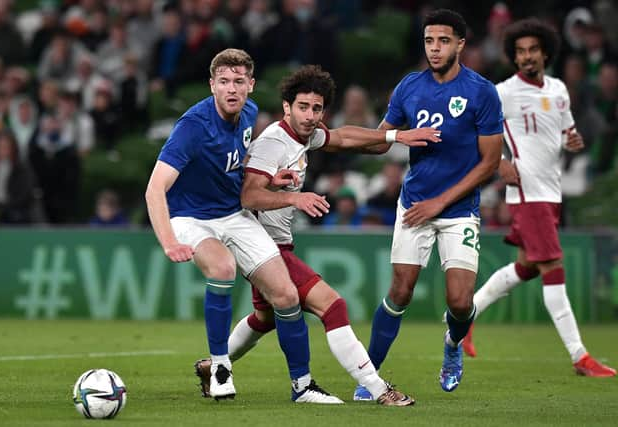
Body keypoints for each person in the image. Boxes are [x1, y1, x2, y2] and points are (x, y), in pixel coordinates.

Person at [194, 64, 441, 406]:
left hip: (275, 243)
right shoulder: (272, 144)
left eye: (317, 108)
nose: (311, 116)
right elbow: (249, 196)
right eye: (303, 107)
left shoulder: (305, 135)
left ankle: (213, 366)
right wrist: (295, 197)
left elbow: (342, 137)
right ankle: (378, 389)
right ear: (286, 107)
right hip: (261, 246)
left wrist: (394, 136)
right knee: (333, 305)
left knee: (265, 318)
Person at [145, 49, 341, 404]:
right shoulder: (192, 127)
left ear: (250, 85)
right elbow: (155, 188)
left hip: (234, 215)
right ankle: (220, 369)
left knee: (286, 296)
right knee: (222, 267)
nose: (231, 89)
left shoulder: (249, 113)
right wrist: (168, 241)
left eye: (238, 81)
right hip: (191, 218)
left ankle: (303, 386)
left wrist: (270, 178)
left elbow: (236, 160)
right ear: (212, 85)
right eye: (223, 82)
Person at [354, 9, 504, 399]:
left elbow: (489, 162)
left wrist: (440, 202)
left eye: (443, 41)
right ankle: (370, 378)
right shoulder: (409, 88)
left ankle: (453, 345)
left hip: (457, 210)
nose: (434, 48)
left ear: (460, 44)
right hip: (415, 205)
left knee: (459, 302)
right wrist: (393, 137)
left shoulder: (482, 91)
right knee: (400, 291)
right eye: (428, 41)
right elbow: (379, 140)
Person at [462, 18, 616, 377]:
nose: (527, 56)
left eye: (533, 50)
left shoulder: (559, 90)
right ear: (514, 57)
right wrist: (498, 162)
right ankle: (580, 356)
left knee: (526, 267)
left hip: (551, 190)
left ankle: (462, 318)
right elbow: (470, 128)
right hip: (527, 192)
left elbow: (565, 134)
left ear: (545, 52)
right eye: (520, 51)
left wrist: (573, 140)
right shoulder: (503, 92)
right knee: (552, 268)